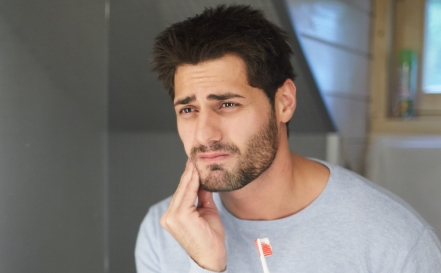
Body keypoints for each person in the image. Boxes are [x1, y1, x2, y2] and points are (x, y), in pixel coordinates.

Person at [135, 4, 441, 272]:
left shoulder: (394, 240)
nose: (204, 134)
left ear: (284, 102)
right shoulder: (163, 232)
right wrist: (205, 268)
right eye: (188, 109)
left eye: (227, 105)